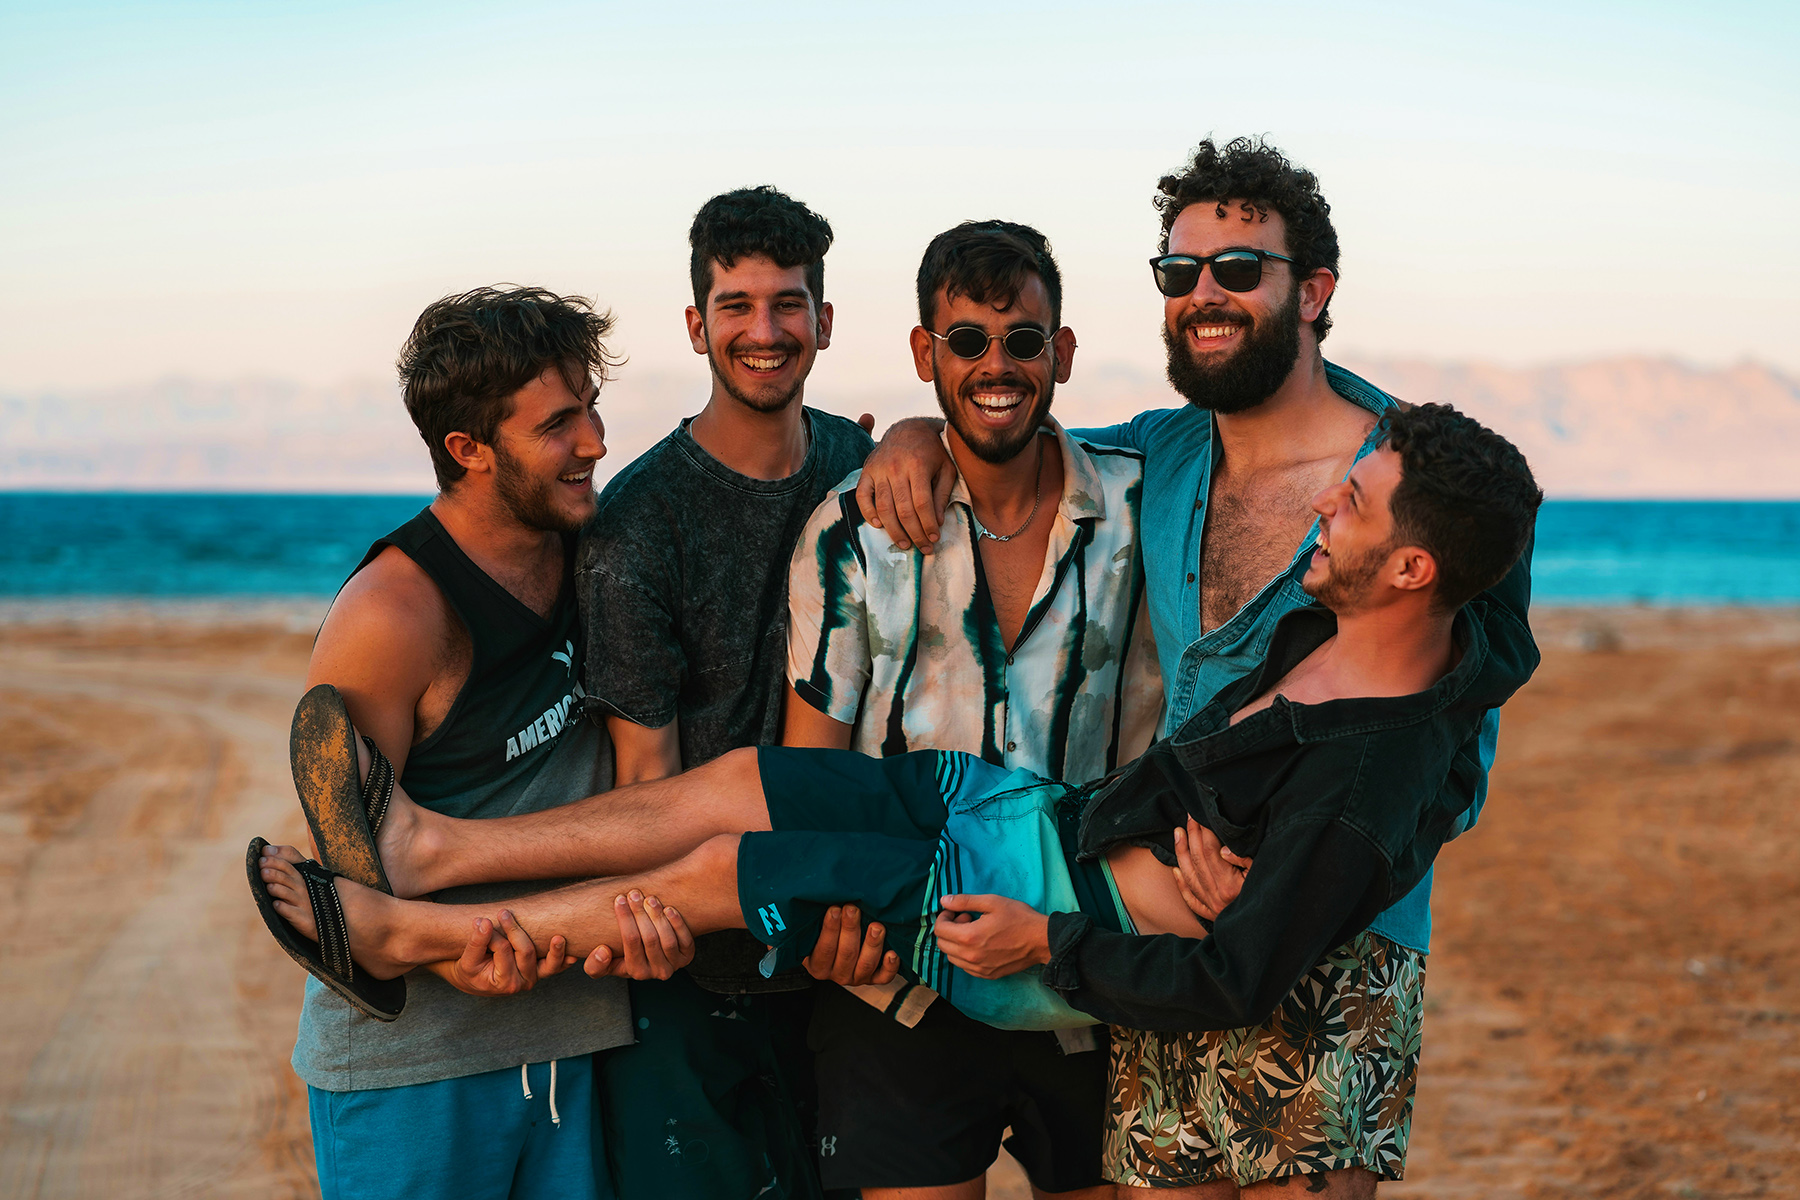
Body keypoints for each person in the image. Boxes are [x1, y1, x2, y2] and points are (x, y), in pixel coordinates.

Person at [248, 402, 1541, 1110]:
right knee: (744, 779)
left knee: (732, 866)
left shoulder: (1372, 778)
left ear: (1413, 567)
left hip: (1033, 913)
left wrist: (1054, 948)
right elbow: (1499, 563)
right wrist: (915, 430)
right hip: (1026, 809)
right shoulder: (1373, 618)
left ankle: (403, 938)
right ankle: (433, 846)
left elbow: (1245, 979)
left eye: (1355, 499)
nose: (1325, 499)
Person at [850, 137, 1535, 1194]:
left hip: (1327, 941)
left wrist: (1294, 882)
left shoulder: (1410, 481)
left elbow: (1458, 743)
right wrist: (915, 435)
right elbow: (1018, 435)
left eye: (1238, 270)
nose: (1203, 294)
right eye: (1180, 273)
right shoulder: (1161, 453)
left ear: (1313, 291)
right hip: (1152, 935)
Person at [276, 286, 691, 1200]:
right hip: (414, 1069)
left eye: (592, 408)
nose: (595, 443)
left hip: (577, 1043)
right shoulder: (396, 613)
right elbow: (338, 895)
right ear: (467, 449)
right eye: (559, 424)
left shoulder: (598, 555)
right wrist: (448, 948)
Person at [782, 220, 1163, 1198]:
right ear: (926, 354)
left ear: (1062, 353)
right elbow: (811, 768)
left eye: (1024, 340)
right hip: (900, 975)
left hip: (1089, 963)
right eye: (968, 342)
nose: (998, 366)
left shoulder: (1145, 512)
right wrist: (826, 918)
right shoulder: (852, 530)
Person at [576, 185, 875, 1200]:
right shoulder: (638, 526)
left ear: (823, 322)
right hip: (689, 971)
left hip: (840, 960)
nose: (764, 330)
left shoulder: (858, 464)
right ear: (698, 325)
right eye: (737, 306)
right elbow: (644, 778)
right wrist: (650, 918)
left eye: (788, 304)